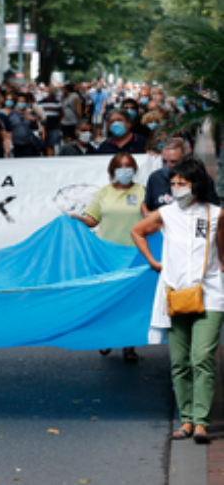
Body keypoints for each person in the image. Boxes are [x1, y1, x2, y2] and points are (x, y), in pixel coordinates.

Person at [131, 158, 224, 444]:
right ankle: (185, 420)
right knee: (180, 362)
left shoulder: (215, 214)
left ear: (195, 184)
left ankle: (200, 423)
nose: (176, 188)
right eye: (173, 184)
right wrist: (153, 261)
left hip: (209, 292)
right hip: (174, 294)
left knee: (202, 359)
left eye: (181, 184)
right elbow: (138, 231)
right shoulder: (166, 213)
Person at [71, 152, 144, 363]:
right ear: (112, 171)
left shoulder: (141, 191)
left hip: (133, 254)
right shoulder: (104, 193)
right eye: (120, 166)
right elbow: (93, 219)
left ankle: (129, 345)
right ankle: (107, 338)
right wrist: (78, 219)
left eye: (128, 165)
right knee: (108, 299)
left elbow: (150, 218)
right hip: (106, 255)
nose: (124, 170)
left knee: (130, 301)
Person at [143, 139, 219, 216]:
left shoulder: (202, 179)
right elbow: (147, 205)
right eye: (164, 161)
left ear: (185, 160)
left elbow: (213, 209)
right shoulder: (155, 178)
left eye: (173, 162)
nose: (168, 165)